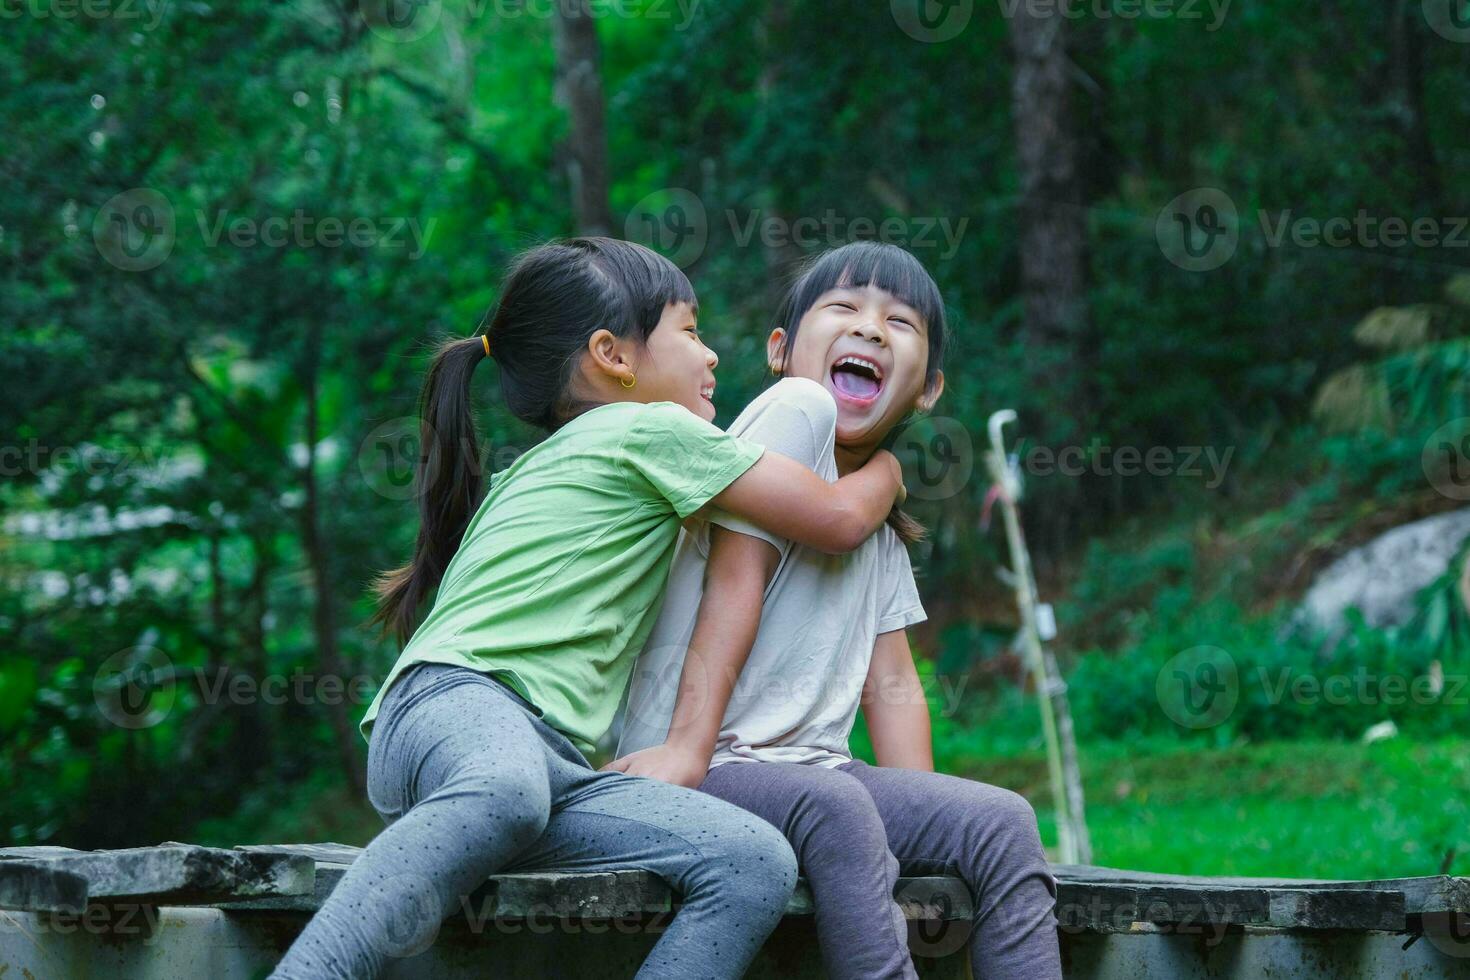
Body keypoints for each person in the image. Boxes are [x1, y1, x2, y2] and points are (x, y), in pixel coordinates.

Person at [270, 237, 907, 979]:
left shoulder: (545, 465)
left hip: (552, 770)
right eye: (690, 332)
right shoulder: (649, 431)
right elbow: (832, 518)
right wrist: (889, 469)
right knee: (506, 789)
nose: (711, 358)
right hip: (454, 709)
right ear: (613, 355)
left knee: (752, 860)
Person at [613, 242, 1063, 980]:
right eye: (844, 308)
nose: (872, 330)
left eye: (900, 321)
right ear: (781, 350)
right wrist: (689, 749)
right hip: (704, 762)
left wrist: (924, 827)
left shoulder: (877, 530)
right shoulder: (786, 423)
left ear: (928, 390)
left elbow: (894, 682)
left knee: (1002, 820)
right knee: (838, 805)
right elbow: (735, 582)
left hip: (814, 776)